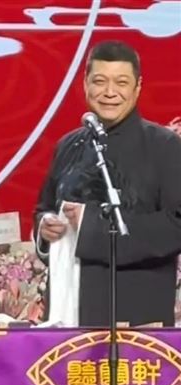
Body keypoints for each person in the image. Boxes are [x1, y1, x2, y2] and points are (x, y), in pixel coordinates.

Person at [34, 40, 181, 327]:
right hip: (67, 311)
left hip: (137, 316)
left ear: (137, 87)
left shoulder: (165, 147)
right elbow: (44, 208)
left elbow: (176, 225)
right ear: (85, 84)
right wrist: (45, 227)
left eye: (121, 82)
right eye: (99, 81)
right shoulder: (67, 146)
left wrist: (90, 226)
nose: (110, 92)